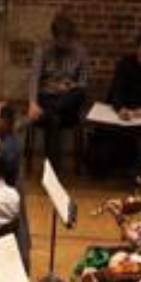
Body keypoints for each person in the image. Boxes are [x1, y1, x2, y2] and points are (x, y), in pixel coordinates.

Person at [90, 30, 141, 181]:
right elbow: (116, 90)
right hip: (124, 111)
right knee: (105, 134)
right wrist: (120, 108)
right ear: (136, 50)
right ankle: (104, 171)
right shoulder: (125, 63)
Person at [26, 14, 89, 169]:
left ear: (72, 38)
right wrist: (33, 103)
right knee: (53, 119)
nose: (63, 44)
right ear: (54, 38)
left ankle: (47, 112)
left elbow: (83, 82)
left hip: (69, 101)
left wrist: (69, 86)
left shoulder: (80, 52)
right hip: (47, 97)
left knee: (79, 93)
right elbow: (34, 78)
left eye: (66, 41)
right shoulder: (42, 50)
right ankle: (52, 171)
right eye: (59, 40)